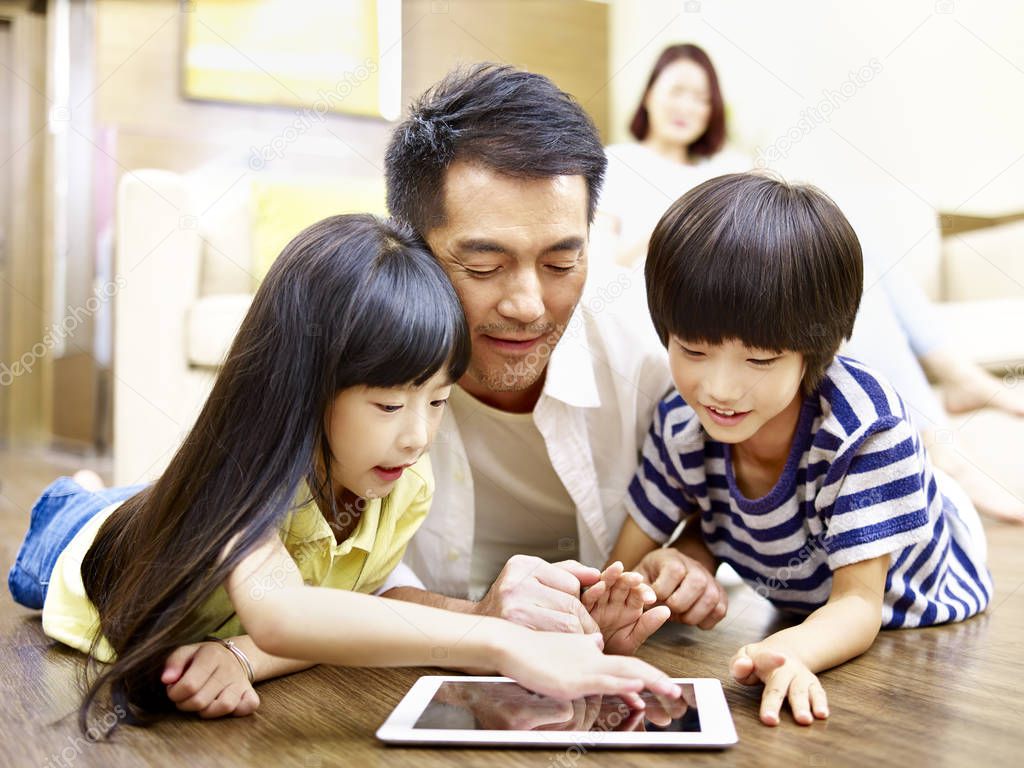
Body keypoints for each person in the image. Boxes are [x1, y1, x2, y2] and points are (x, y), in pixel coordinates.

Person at [7, 215, 681, 734]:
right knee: (52, 542)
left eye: (439, 401)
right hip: (92, 550)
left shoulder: (401, 482)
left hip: (216, 573)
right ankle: (85, 497)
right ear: (305, 385)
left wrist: (239, 656)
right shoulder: (245, 473)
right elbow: (285, 611)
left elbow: (340, 609)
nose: (418, 436)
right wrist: (498, 641)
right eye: (388, 404)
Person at [609, 173, 992, 727]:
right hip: (803, 576)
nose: (719, 388)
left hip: (914, 585)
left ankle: (947, 484)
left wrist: (796, 650)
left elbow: (861, 606)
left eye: (759, 361)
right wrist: (662, 569)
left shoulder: (865, 428)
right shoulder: (681, 419)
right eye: (692, 350)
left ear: (821, 347)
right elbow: (619, 565)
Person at [595, 42, 1024, 523]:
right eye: (677, 90)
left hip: (749, 287)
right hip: (673, 288)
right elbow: (606, 262)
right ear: (649, 93)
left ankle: (961, 382)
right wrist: (675, 225)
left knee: (862, 250)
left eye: (701, 97)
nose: (687, 106)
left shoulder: (726, 164)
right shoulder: (618, 162)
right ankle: (944, 439)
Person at [380, 63, 729, 645]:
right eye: (486, 266)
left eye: (561, 264)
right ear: (412, 247)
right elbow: (326, 576)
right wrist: (480, 622)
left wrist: (689, 556)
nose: (528, 305)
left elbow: (721, 488)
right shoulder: (350, 367)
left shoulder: (648, 357)